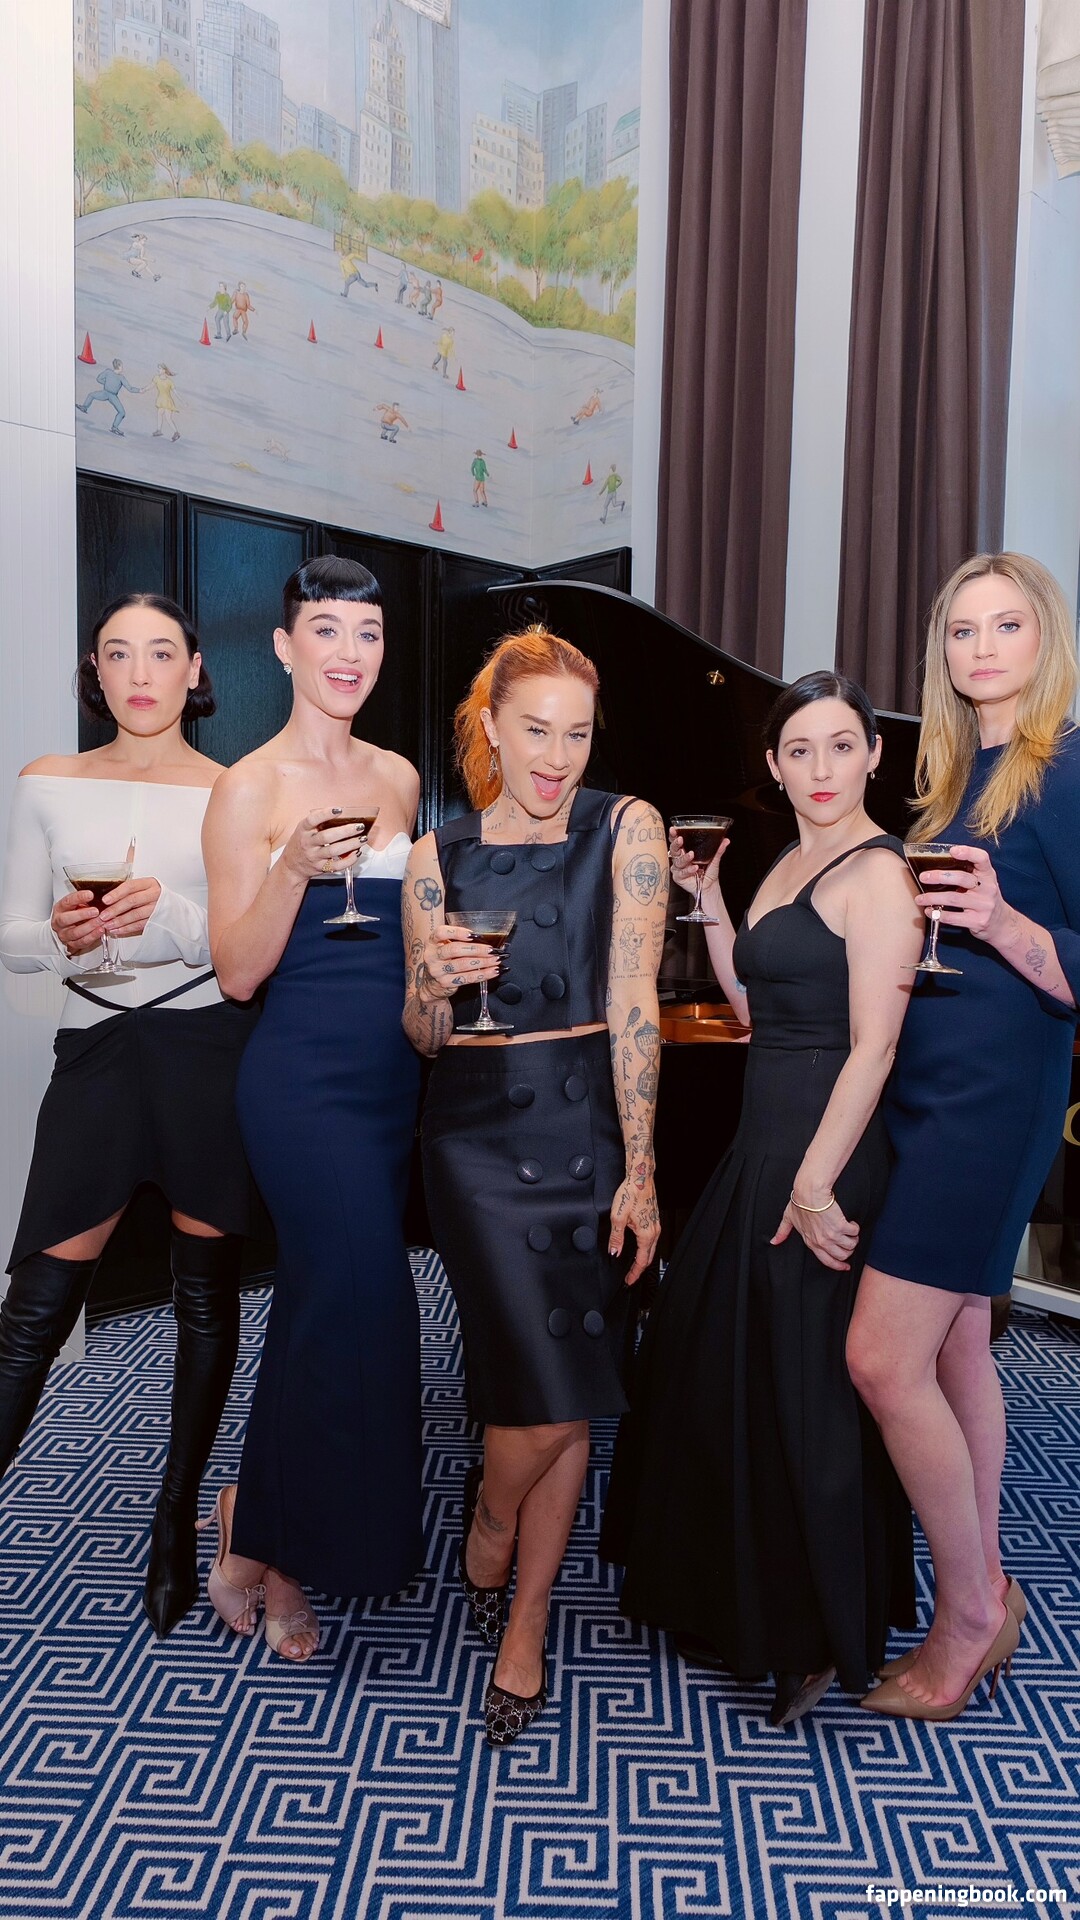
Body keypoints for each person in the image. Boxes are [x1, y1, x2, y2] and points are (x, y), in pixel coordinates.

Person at [601, 671, 922, 1726]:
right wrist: (706, 902)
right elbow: (752, 1006)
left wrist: (818, 1180)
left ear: (875, 755)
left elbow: (875, 1046)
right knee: (729, 1368)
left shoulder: (881, 874)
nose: (822, 769)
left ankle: (815, 1629)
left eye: (842, 746)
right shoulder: (787, 859)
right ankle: (736, 1598)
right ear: (774, 767)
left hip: (828, 1150)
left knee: (811, 1391)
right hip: (765, 1141)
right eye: (800, 751)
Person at [402, 627, 667, 1746]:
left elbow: (638, 1000)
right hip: (471, 1139)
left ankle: (525, 1604)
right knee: (540, 1376)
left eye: (578, 734)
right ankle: (495, 1518)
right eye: (537, 731)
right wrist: (432, 983)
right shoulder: (436, 856)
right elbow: (421, 1036)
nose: (558, 757)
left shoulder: (626, 827)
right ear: (491, 729)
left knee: (569, 1380)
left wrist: (642, 1169)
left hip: (588, 1128)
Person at [848, 551, 1080, 1722]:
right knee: (957, 1353)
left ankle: (971, 1612)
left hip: (993, 1101)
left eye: (1007, 626)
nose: (982, 648)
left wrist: (999, 920)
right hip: (934, 1090)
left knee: (881, 1360)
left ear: (1046, 641)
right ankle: (985, 1578)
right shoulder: (951, 778)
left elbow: (1063, 959)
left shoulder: (1066, 766)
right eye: (961, 629)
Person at [0, 593, 257, 1638]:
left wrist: (184, 923)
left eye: (161, 653)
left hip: (207, 1051)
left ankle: (171, 1528)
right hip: (97, 1052)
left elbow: (248, 943)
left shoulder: (238, 789)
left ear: (196, 669)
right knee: (32, 1310)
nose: (140, 672)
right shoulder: (48, 782)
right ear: (95, 672)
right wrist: (55, 936)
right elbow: (14, 935)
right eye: (118, 653)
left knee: (205, 1300)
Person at [202, 555, 423, 1661]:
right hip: (298, 1082)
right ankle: (287, 1557)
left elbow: (409, 938)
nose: (349, 653)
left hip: (390, 1083)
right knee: (363, 1303)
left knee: (316, 1311)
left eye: (367, 634)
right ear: (285, 647)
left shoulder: (400, 777)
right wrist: (290, 866)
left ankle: (251, 1522)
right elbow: (239, 971)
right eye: (327, 630)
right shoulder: (247, 786)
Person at [76, 358, 138, 436]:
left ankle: (84, 407)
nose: (122, 368)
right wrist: (140, 390)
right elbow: (130, 389)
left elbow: (99, 379)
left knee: (91, 395)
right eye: (122, 366)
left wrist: (107, 383)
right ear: (119, 366)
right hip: (110, 395)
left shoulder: (109, 372)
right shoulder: (121, 377)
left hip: (107, 394)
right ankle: (114, 427)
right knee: (122, 412)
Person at [144, 364, 180, 441]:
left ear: (164, 370)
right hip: (161, 400)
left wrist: (182, 401)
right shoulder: (156, 378)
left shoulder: (169, 381)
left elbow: (175, 392)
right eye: (158, 368)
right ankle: (159, 430)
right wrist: (144, 389)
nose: (158, 370)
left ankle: (176, 432)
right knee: (159, 413)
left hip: (167, 401)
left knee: (168, 418)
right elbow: (151, 385)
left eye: (160, 369)